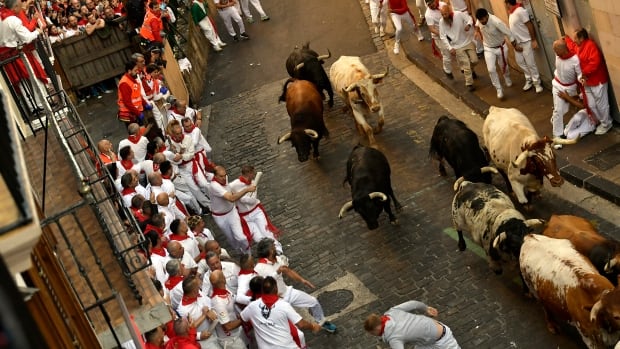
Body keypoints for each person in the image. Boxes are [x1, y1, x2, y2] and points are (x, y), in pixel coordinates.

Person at [254, 238, 337, 333]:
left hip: (287, 292)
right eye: (273, 247)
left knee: (313, 302)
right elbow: (263, 286)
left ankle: (321, 322)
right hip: (277, 301)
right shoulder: (259, 269)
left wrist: (302, 280)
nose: (276, 249)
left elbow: (288, 271)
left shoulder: (277, 259)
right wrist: (277, 272)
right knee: (292, 326)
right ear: (270, 251)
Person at [240, 276, 319, 349]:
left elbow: (243, 319)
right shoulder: (282, 305)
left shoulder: (251, 306)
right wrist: (312, 326)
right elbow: (299, 328)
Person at [565, 28, 614, 135]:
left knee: (602, 104)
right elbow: (572, 47)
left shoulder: (590, 46)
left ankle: (607, 123)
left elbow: (594, 63)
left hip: (597, 81)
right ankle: (601, 121)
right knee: (591, 105)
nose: (574, 41)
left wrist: (583, 73)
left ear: (582, 38)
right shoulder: (579, 47)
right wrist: (566, 40)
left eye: (575, 38)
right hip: (587, 82)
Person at [228, 165, 283, 254]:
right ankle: (268, 252)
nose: (254, 175)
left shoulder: (254, 183)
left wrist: (240, 196)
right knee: (258, 238)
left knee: (266, 232)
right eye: (252, 173)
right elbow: (229, 195)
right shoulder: (234, 185)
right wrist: (240, 194)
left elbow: (252, 201)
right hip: (245, 216)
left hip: (256, 212)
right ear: (248, 173)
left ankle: (278, 250)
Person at [364, 300, 460, 349]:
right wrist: (426, 308)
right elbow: (413, 303)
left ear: (375, 330)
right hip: (430, 336)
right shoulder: (392, 312)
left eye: (372, 334)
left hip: (443, 340)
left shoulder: (394, 338)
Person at [208, 165, 256, 253]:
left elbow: (230, 189)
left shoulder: (225, 178)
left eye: (225, 175)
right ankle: (238, 250)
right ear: (215, 176)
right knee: (231, 238)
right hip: (220, 217)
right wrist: (246, 190)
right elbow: (231, 198)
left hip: (232, 212)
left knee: (241, 237)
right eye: (221, 176)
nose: (224, 178)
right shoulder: (214, 186)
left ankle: (248, 253)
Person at [474, 8, 515, 100]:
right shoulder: (479, 20)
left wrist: (514, 44)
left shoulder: (496, 22)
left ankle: (507, 77)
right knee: (491, 69)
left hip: (501, 47)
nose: (482, 22)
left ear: (487, 16)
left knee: (503, 66)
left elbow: (508, 33)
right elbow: (477, 25)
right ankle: (498, 89)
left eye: (483, 20)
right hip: (488, 48)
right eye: (480, 20)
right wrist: (476, 31)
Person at [505, 0, 543, 93]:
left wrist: (533, 40)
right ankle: (529, 78)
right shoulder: (511, 13)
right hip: (518, 44)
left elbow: (529, 24)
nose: (505, 6)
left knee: (531, 63)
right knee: (520, 62)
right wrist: (515, 45)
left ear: (508, 3)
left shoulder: (520, 11)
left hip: (527, 42)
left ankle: (537, 83)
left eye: (505, 4)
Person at [439, 4, 478, 91]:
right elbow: (442, 36)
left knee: (475, 60)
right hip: (456, 46)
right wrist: (450, 48)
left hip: (467, 42)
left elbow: (469, 19)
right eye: (442, 14)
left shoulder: (458, 14)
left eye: (445, 14)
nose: (444, 16)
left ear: (449, 11)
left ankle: (470, 70)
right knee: (466, 63)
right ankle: (469, 83)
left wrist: (468, 25)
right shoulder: (442, 22)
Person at [176, 276, 220, 348]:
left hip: (216, 331)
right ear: (194, 292)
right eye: (198, 287)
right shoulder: (183, 310)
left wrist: (209, 310)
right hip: (204, 340)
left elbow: (208, 303)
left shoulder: (198, 292)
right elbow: (187, 331)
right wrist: (199, 336)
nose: (199, 288)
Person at [550, 39, 581, 140]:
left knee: (565, 110)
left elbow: (580, 74)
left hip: (570, 88)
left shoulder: (575, 59)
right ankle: (557, 136)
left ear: (564, 50)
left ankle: (555, 120)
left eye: (557, 52)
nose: (556, 54)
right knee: (558, 110)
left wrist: (582, 80)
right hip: (557, 85)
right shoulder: (558, 54)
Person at [209, 270, 246, 349]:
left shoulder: (225, 291)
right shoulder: (218, 302)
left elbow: (236, 301)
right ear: (224, 279)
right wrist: (245, 317)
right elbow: (228, 326)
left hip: (237, 334)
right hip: (230, 341)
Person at [425, 0, 452, 79]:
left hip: (450, 32)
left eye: (432, 3)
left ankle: (464, 69)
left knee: (458, 51)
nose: (431, 5)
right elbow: (432, 29)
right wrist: (443, 35)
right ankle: (447, 70)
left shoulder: (443, 4)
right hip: (439, 37)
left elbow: (450, 13)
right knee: (447, 54)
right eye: (429, 4)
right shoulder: (428, 14)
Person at [117, 60, 150, 126]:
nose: (137, 72)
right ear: (129, 71)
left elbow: (137, 95)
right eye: (135, 70)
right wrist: (138, 113)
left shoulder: (131, 80)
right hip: (129, 115)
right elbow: (127, 103)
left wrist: (145, 104)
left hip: (135, 112)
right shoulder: (125, 83)